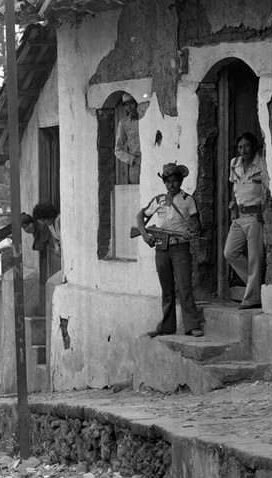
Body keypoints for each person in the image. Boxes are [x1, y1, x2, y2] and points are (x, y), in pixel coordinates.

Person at [136, 163, 203, 338]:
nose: (171, 185)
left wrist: (192, 231)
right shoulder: (159, 200)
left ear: (180, 181)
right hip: (161, 247)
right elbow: (140, 216)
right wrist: (144, 234)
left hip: (180, 247)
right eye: (167, 182)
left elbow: (196, 223)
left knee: (184, 286)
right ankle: (167, 325)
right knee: (166, 288)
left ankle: (192, 326)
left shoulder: (187, 199)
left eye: (174, 181)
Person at [224, 132, 268, 310]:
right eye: (241, 147)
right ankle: (256, 285)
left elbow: (268, 190)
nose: (244, 150)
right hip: (239, 216)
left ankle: (251, 299)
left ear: (254, 146)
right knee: (230, 253)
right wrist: (233, 205)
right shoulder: (234, 163)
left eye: (247, 146)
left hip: (255, 216)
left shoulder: (262, 164)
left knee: (255, 258)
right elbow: (234, 187)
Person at [114, 92, 141, 184]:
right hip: (136, 163)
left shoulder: (147, 118)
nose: (129, 107)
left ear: (137, 103)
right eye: (126, 105)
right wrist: (133, 159)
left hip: (152, 158)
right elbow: (117, 150)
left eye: (131, 103)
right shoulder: (124, 123)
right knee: (136, 191)